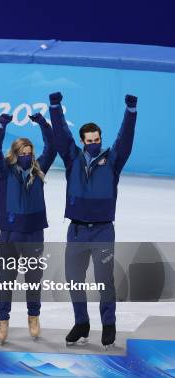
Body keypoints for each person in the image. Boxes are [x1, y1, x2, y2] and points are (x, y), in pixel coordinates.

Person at [49, 92, 138, 348]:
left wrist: (130, 112)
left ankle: (108, 324)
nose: (93, 144)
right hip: (76, 231)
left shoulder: (112, 161)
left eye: (97, 140)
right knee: (74, 279)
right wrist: (55, 107)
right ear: (82, 141)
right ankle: (81, 323)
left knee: (104, 280)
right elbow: (61, 132)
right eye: (89, 141)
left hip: (102, 232)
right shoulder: (72, 158)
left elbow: (126, 139)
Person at [0, 112, 56, 344]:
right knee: (6, 280)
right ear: (15, 154)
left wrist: (44, 124)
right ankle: (2, 320)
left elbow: (52, 146)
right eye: (22, 154)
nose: (27, 157)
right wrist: (1, 126)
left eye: (29, 154)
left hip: (35, 233)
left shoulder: (39, 170)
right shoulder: (5, 173)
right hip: (10, 234)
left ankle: (33, 317)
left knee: (33, 278)